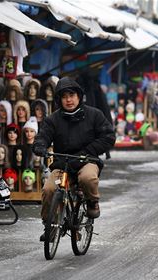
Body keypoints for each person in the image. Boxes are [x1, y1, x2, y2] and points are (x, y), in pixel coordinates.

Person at [32, 77, 115, 240]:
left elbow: (109, 136)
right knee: (49, 189)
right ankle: (50, 225)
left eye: (72, 95)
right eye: (64, 96)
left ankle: (92, 202)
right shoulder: (53, 119)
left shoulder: (94, 115)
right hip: (63, 163)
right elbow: (42, 137)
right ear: (59, 99)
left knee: (87, 178)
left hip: (87, 160)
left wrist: (88, 151)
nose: (68, 100)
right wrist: (40, 146)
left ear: (79, 96)